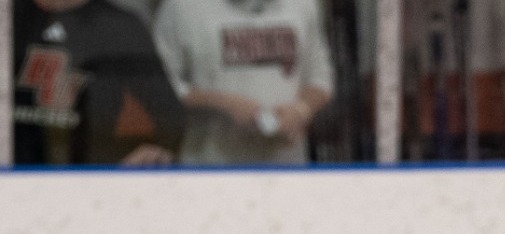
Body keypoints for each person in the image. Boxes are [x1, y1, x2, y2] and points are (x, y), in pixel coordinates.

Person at [150, 0, 335, 166]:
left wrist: (300, 110)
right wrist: (222, 103)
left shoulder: (302, 5)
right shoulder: (181, 7)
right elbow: (158, 86)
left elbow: (320, 76)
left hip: (286, 168)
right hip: (211, 168)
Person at [11, 0, 184, 165]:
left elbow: (170, 117)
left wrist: (152, 154)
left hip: (97, 181)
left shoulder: (120, 25)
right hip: (12, 178)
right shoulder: (9, 18)